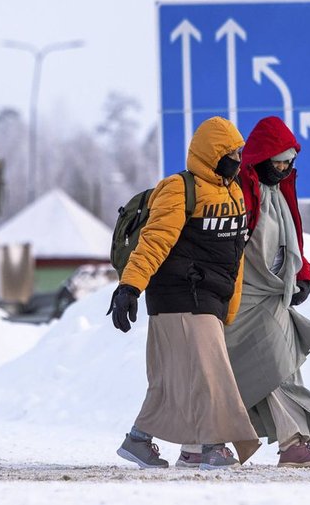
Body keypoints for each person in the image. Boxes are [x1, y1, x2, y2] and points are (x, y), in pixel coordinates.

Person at [108, 116, 260, 470]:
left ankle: (145, 442)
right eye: (231, 152)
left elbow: (235, 256)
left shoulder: (234, 192)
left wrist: (231, 306)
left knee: (176, 380)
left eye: (240, 152)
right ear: (212, 153)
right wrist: (130, 287)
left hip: (210, 297)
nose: (238, 159)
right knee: (211, 374)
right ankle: (212, 446)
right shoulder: (178, 188)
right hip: (179, 294)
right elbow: (155, 241)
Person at [224, 116, 310, 468]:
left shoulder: (280, 191)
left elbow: (291, 241)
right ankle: (291, 443)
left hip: (275, 296)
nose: (285, 168)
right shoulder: (240, 190)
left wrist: (303, 273)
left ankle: (287, 444)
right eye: (279, 161)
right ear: (261, 157)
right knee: (271, 365)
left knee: (279, 366)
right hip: (242, 297)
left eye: (290, 162)